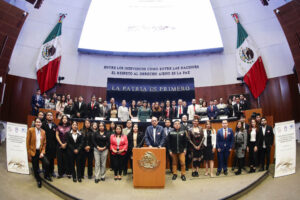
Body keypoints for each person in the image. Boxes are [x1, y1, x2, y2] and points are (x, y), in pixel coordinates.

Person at [26, 118, 49, 188]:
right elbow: (27, 143)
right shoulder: (30, 130)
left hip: (40, 151)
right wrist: (29, 153)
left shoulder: (43, 132)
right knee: (35, 167)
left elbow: (44, 143)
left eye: (39, 122)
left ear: (41, 124)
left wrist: (42, 152)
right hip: (33, 151)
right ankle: (38, 180)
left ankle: (45, 175)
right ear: (35, 123)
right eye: (37, 122)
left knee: (47, 163)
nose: (38, 123)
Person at [41, 112, 57, 179]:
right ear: (46, 116)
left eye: (51, 115)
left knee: (52, 159)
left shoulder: (54, 125)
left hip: (53, 145)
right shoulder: (43, 124)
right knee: (46, 159)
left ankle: (52, 171)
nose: (50, 116)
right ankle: (45, 171)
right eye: (48, 115)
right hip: (45, 145)